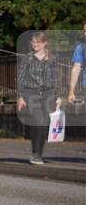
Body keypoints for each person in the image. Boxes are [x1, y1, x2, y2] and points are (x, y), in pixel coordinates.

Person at [18, 31, 60, 165]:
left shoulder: (52, 59)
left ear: (45, 43)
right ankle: (35, 154)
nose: (35, 44)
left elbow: (56, 79)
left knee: (43, 124)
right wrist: (20, 96)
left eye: (38, 42)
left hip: (48, 93)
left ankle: (39, 154)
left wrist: (58, 97)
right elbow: (21, 78)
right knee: (38, 121)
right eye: (33, 42)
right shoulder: (27, 58)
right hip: (31, 93)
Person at [68, 21, 86, 105]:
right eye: (85, 31)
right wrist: (71, 91)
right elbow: (76, 68)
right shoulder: (81, 46)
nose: (85, 34)